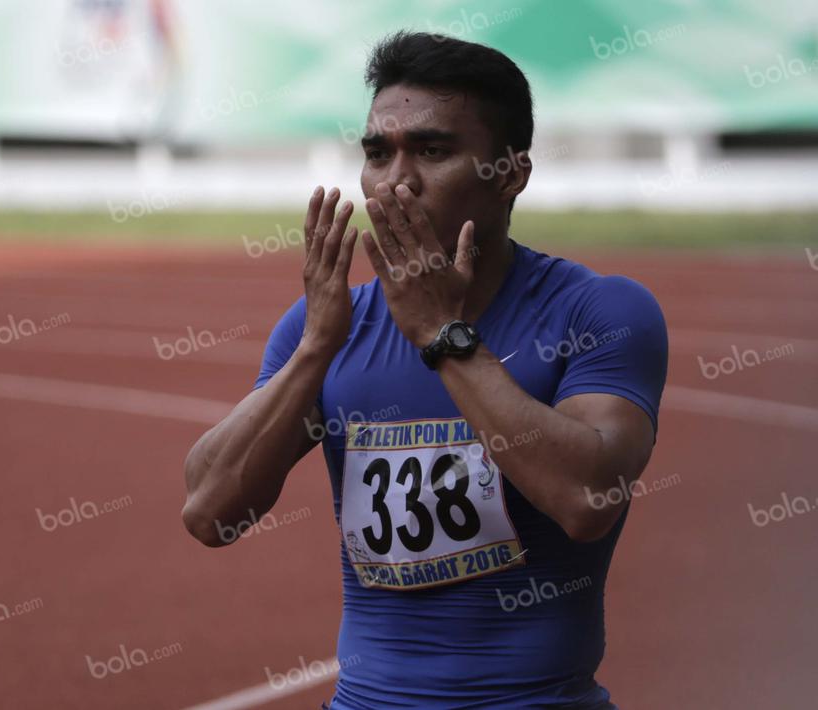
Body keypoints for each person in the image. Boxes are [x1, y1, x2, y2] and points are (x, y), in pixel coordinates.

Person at [182, 30, 668, 708]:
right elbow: (209, 513)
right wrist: (313, 353)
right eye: (377, 154)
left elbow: (587, 500)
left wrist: (443, 335)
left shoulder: (598, 310)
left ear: (510, 173)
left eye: (433, 150)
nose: (396, 180)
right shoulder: (324, 327)